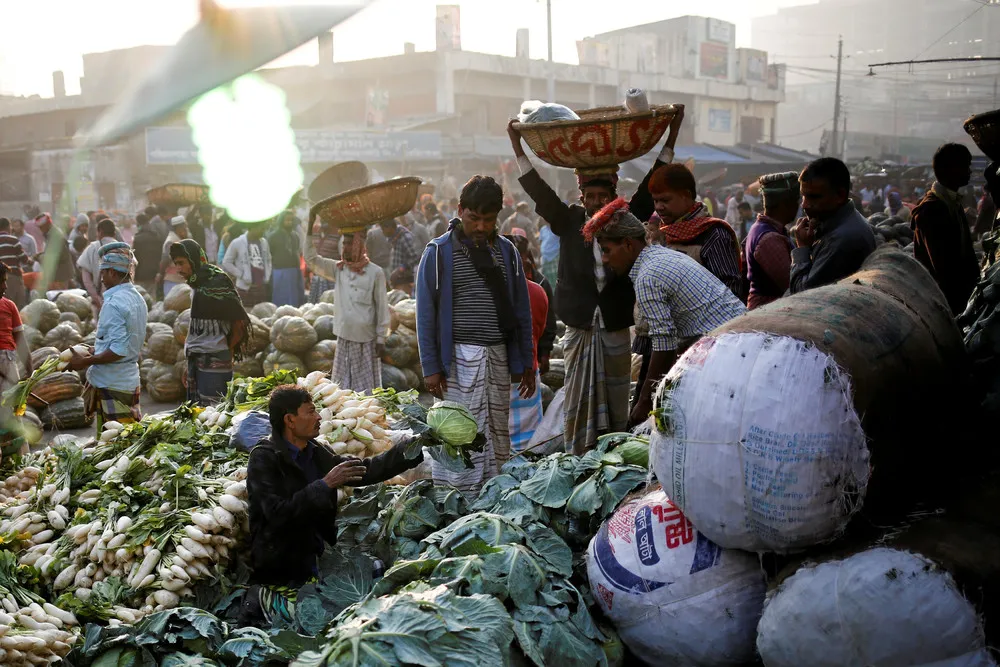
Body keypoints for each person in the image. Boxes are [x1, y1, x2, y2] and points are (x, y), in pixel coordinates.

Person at [509, 106, 684, 454]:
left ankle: (611, 456)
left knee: (617, 397)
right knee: (577, 397)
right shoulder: (567, 220)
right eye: (590, 197)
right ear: (581, 198)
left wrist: (672, 132)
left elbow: (655, 176)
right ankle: (578, 456)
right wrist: (517, 146)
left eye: (603, 197)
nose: (596, 203)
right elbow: (538, 190)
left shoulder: (627, 220)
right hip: (579, 329)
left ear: (615, 197)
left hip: (616, 327)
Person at [243, 385, 423, 612]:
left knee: (377, 572)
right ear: (289, 420)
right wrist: (325, 484)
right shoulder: (264, 458)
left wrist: (411, 448)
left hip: (318, 554)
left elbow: (363, 470)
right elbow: (277, 515)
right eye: (310, 412)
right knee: (322, 612)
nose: (319, 417)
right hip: (284, 563)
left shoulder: (315, 450)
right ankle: (262, 599)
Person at [415, 175, 534, 496]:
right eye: (474, 218)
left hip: (497, 356)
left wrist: (527, 362)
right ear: (460, 210)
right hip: (456, 361)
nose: (481, 227)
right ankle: (456, 497)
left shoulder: (507, 251)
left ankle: (494, 495)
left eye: (488, 220)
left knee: (496, 432)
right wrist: (431, 367)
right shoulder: (438, 253)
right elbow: (425, 314)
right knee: (459, 433)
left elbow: (521, 309)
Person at [585, 199, 745, 428]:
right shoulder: (660, 255)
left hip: (728, 351)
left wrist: (644, 403)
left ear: (629, 245)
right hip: (730, 342)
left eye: (608, 251)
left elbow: (664, 344)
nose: (605, 259)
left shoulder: (648, 276)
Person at [66, 244, 147, 432]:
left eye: (103, 272)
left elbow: (119, 350)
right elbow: (124, 341)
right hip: (127, 381)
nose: (101, 278)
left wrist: (85, 361)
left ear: (112, 272)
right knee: (120, 442)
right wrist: (96, 349)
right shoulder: (137, 298)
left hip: (113, 385)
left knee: (116, 446)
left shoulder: (113, 303)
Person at [302, 225, 389, 393]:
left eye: (349, 243)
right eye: (344, 244)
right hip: (343, 337)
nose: (345, 248)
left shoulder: (375, 272)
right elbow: (312, 260)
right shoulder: (338, 269)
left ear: (359, 245)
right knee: (342, 389)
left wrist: (381, 339)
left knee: (366, 392)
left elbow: (382, 307)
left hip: (366, 340)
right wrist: (309, 232)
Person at [170, 239, 252, 404]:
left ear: (193, 259)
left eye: (181, 263)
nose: (178, 269)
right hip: (196, 358)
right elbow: (196, 331)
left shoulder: (217, 281)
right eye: (175, 264)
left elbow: (239, 324)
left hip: (215, 361)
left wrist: (224, 353)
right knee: (198, 413)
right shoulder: (196, 285)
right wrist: (190, 364)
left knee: (213, 415)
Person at [648, 163, 744, 299]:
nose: (658, 207)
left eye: (665, 200)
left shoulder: (714, 234)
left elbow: (730, 292)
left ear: (686, 195)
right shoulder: (662, 233)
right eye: (655, 201)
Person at [911, 143, 979, 315]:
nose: (969, 171)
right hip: (941, 305)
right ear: (948, 169)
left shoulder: (952, 204)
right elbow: (943, 270)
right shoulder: (931, 209)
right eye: (965, 165)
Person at [790, 158, 877, 293]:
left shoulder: (840, 240)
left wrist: (802, 248)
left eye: (814, 197)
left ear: (840, 196)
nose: (805, 205)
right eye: (803, 196)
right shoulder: (840, 223)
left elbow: (801, 294)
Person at [505, 235, 549, 453]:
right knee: (530, 442)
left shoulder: (495, 293)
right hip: (528, 372)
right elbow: (539, 330)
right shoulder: (538, 290)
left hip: (502, 376)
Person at [745, 172, 797, 310]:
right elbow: (794, 287)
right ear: (786, 204)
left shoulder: (763, 228)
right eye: (797, 201)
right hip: (768, 314)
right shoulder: (770, 239)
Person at [0, 263, 32, 433]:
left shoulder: (9, 305)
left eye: (5, 281)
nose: (5, 286)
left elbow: (21, 340)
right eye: (1, 281)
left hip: (7, 360)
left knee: (13, 413)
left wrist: (30, 370)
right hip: (6, 361)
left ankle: (20, 455)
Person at [223, 224, 272, 308]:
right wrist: (241, 274)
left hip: (261, 286)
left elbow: (268, 260)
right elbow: (226, 262)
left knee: (261, 315)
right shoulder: (237, 242)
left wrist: (267, 275)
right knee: (246, 315)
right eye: (261, 228)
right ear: (252, 227)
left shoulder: (264, 242)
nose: (263, 231)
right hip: (245, 288)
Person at [267, 212, 304, 308]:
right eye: (287, 220)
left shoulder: (295, 236)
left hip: (294, 270)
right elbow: (269, 254)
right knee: (280, 298)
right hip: (279, 270)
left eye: (291, 220)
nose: (290, 222)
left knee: (294, 298)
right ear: (281, 221)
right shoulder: (273, 236)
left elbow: (297, 251)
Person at [36, 213, 75, 289]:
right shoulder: (51, 234)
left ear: (47, 224)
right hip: (58, 275)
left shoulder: (55, 235)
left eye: (41, 227)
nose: (40, 229)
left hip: (60, 276)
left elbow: (60, 256)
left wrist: (40, 257)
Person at [378, 218, 421, 286]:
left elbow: (416, 257)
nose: (382, 232)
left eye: (383, 229)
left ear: (390, 227)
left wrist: (401, 269)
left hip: (406, 280)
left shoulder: (405, 237)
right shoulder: (395, 238)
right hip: (399, 279)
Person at [156, 216, 190, 298]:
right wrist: (160, 274)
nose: (186, 230)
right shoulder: (171, 241)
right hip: (173, 281)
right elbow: (165, 260)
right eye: (185, 228)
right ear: (179, 228)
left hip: (182, 280)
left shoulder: (181, 239)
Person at [308, 218, 341, 303]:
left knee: (332, 304)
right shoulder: (315, 230)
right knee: (317, 306)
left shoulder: (339, 232)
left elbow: (342, 255)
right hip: (317, 277)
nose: (324, 220)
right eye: (322, 217)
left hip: (332, 277)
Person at [0, 218, 30, 309]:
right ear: (8, 227)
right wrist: (32, 260)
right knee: (18, 305)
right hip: (13, 276)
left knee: (4, 306)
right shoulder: (13, 240)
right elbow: (24, 259)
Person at [132, 214, 162, 296]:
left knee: (141, 296)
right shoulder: (156, 236)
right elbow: (160, 256)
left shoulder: (137, 238)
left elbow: (134, 257)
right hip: (153, 273)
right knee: (152, 297)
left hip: (140, 274)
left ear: (139, 224)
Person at [538, 218, 560, 289]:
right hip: (545, 258)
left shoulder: (556, 228)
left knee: (555, 279)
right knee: (547, 280)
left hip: (555, 256)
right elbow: (541, 242)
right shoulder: (543, 229)